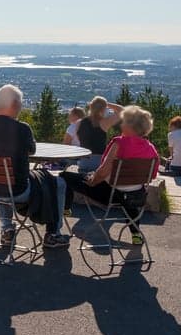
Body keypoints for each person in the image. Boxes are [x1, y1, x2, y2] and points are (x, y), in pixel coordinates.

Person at [0, 84, 69, 248]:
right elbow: (32, 150)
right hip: (19, 192)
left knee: (3, 181)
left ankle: (7, 229)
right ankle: (53, 233)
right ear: (15, 105)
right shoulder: (22, 128)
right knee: (58, 183)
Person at [61, 105, 160, 245]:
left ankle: (65, 209)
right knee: (129, 190)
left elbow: (103, 171)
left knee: (65, 176)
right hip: (136, 197)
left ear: (130, 125)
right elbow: (153, 175)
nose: (122, 123)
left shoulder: (119, 143)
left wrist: (92, 180)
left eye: (124, 121)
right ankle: (136, 233)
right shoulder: (150, 148)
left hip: (110, 195)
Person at [75, 96, 124, 171]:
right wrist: (107, 104)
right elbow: (122, 110)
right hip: (99, 162)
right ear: (104, 109)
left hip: (84, 161)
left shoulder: (79, 123)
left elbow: (79, 139)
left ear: (91, 106)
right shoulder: (104, 122)